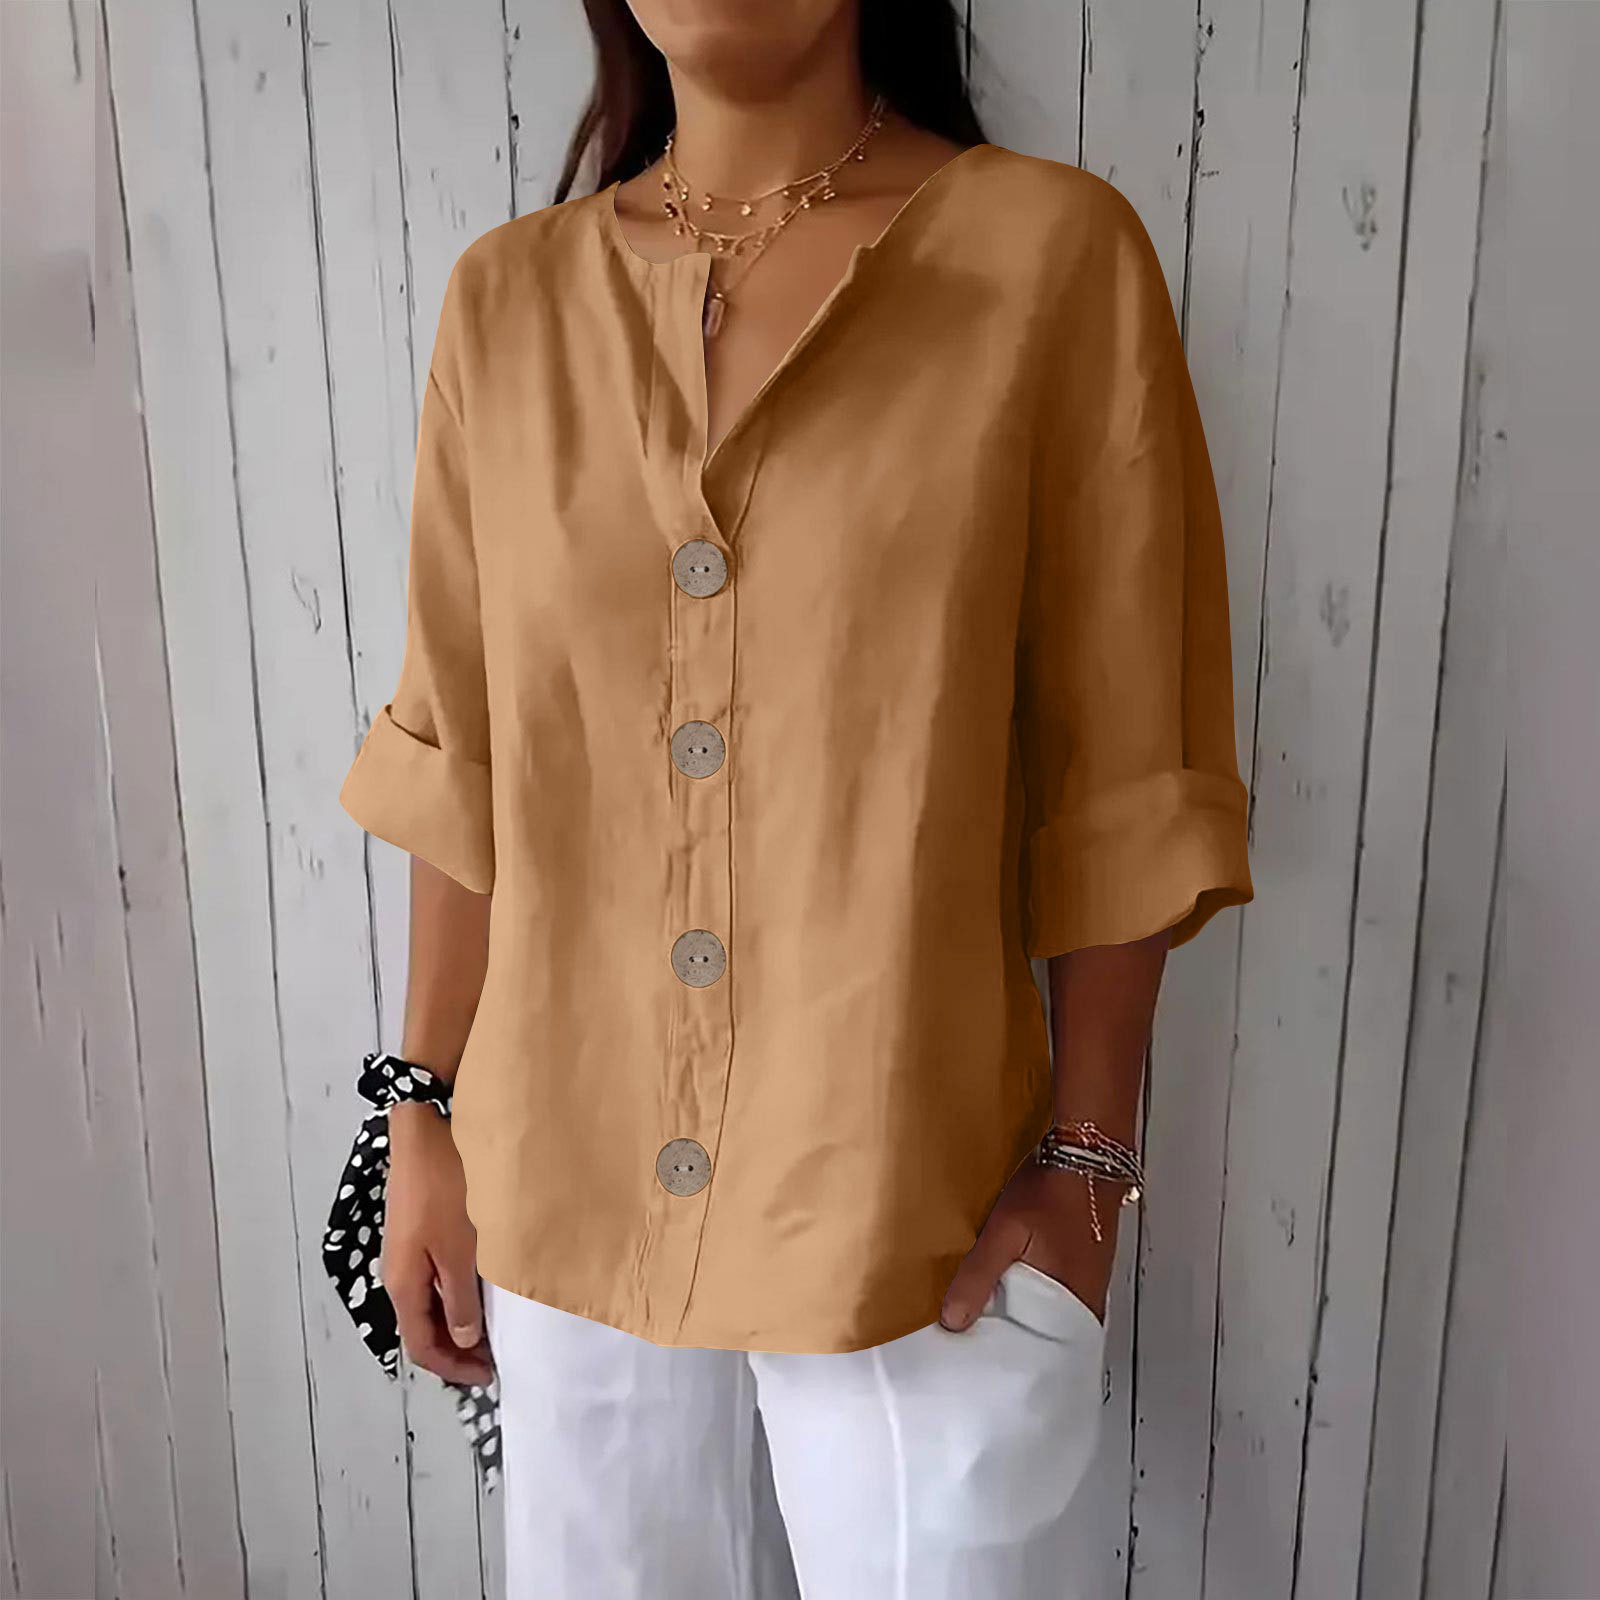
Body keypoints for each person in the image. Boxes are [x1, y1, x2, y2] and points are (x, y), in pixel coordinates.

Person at [337, 0, 1254, 1594]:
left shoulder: (1052, 263)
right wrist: (418, 1107)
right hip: (563, 1191)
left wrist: (1090, 1167)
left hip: (918, 1200)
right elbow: (463, 756)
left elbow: (1124, 768)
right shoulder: (510, 304)